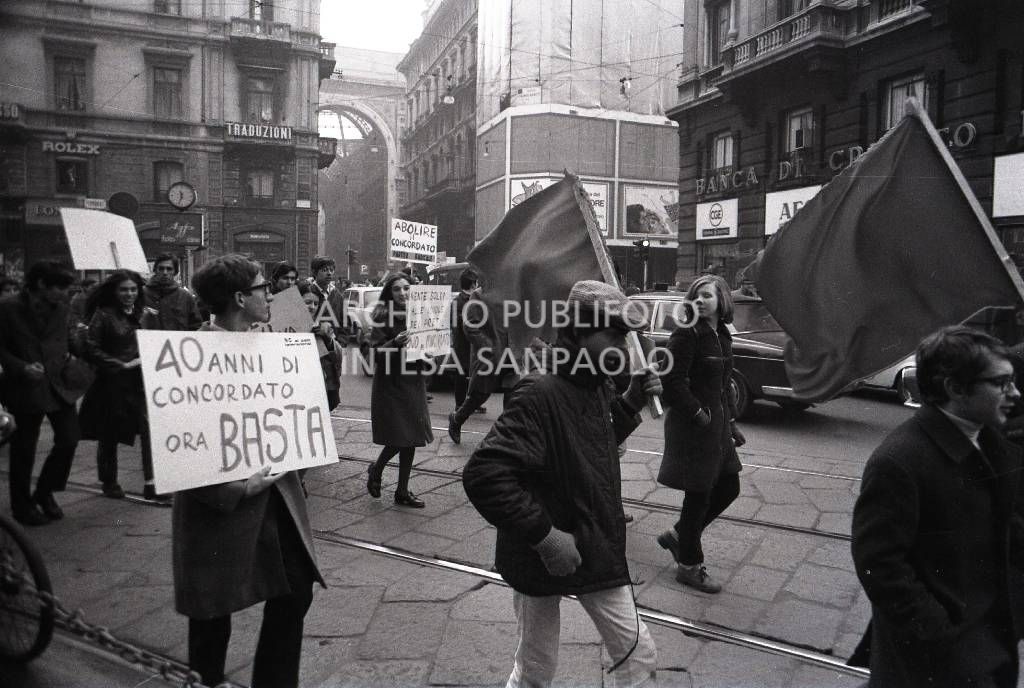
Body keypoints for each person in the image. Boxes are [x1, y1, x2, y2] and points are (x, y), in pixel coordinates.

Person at [462, 280, 662, 687]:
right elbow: (485, 474)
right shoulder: (539, 391)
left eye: (624, 336)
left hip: (595, 543)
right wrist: (546, 536)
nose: (623, 347)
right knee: (536, 668)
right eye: (613, 334)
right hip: (544, 552)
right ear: (578, 331)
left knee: (638, 655)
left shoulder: (596, 385)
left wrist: (631, 403)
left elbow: (587, 444)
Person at [173, 254, 323, 688]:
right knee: (212, 612)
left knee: (295, 592)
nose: (271, 295)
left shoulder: (271, 342)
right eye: (263, 288)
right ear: (241, 297)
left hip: (276, 498)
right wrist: (236, 488)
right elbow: (180, 443)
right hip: (223, 505)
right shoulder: (191, 355)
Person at [851, 326, 1024, 688]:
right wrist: (943, 635)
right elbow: (880, 566)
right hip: (942, 656)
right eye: (1001, 383)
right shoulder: (900, 460)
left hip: (991, 638)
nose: (1015, 393)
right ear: (955, 389)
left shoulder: (995, 442)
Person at [655, 275, 745, 594]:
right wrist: (697, 413)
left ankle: (678, 537)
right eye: (696, 295)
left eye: (706, 295)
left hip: (717, 427)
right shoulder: (687, 333)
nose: (700, 300)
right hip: (695, 428)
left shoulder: (721, 334)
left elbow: (723, 385)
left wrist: (731, 424)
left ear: (722, 300)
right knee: (699, 495)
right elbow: (673, 382)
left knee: (729, 486)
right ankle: (689, 566)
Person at [0, 261, 82, 526]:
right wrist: (21, 367)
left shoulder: (63, 307)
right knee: (24, 449)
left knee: (69, 439)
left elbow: (66, 339)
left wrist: (78, 351)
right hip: (25, 386)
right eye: (59, 287)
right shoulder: (8, 307)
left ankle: (45, 491)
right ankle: (22, 507)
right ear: (41, 285)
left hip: (58, 384)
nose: (65, 292)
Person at [77, 270, 165, 502]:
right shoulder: (103, 315)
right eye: (124, 289)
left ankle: (152, 482)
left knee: (149, 429)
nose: (129, 294)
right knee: (110, 432)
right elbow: (91, 348)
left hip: (141, 381)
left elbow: (155, 341)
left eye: (133, 289)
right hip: (113, 381)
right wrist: (120, 364)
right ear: (115, 291)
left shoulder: (146, 314)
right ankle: (109, 480)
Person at [365, 272, 432, 508]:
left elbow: (428, 350)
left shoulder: (421, 313)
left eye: (406, 288)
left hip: (413, 379)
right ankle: (377, 468)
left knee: (412, 437)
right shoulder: (382, 316)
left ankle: (402, 491)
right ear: (388, 292)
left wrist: (431, 350)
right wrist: (395, 342)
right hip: (392, 383)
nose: (403, 293)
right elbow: (374, 353)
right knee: (399, 437)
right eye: (396, 289)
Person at [447, 279, 500, 444]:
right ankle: (456, 420)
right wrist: (488, 345)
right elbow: (470, 326)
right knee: (480, 394)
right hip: (489, 355)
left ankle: (504, 437)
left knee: (513, 395)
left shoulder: (512, 292)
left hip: (511, 354)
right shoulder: (479, 295)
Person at [298, 281, 342, 411]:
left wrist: (327, 339)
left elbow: (338, 357)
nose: (312, 307)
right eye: (307, 302)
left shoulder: (323, 326)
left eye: (316, 304)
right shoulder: (286, 325)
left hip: (320, 387)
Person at [143, 253, 202, 331]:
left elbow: (196, 326)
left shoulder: (185, 297)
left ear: (175, 272)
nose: (165, 272)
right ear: (155, 270)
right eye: (161, 268)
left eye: (169, 269)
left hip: (178, 342)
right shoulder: (141, 294)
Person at [309, 255, 348, 346]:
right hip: (313, 347)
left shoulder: (338, 296)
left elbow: (344, 323)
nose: (329, 273)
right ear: (314, 272)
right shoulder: (308, 293)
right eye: (324, 270)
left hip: (333, 348)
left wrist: (341, 343)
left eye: (331, 270)